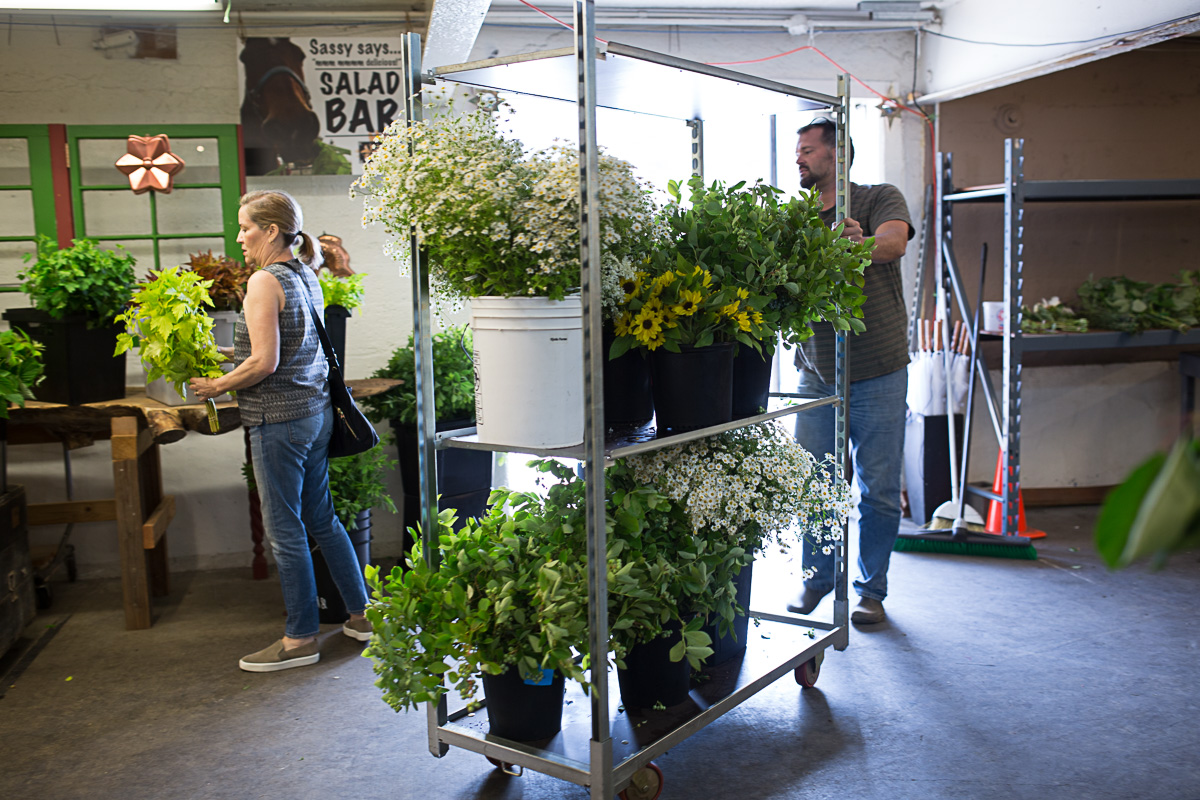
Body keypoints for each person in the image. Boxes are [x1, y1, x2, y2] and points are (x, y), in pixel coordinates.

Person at [190, 190, 371, 671]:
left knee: (286, 532)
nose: (239, 237)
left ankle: (300, 640)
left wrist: (215, 386)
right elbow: (287, 348)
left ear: (271, 230)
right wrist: (223, 356)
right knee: (323, 519)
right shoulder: (305, 274)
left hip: (278, 422)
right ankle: (362, 616)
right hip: (314, 414)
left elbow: (265, 362)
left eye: (245, 227)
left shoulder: (263, 281)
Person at [787, 117, 914, 625]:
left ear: (838, 155)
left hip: (879, 370)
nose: (799, 157)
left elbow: (893, 243)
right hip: (817, 371)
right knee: (816, 483)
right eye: (798, 150)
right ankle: (817, 579)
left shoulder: (878, 197)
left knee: (878, 490)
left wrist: (854, 246)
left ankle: (871, 591)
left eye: (808, 149)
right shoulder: (796, 217)